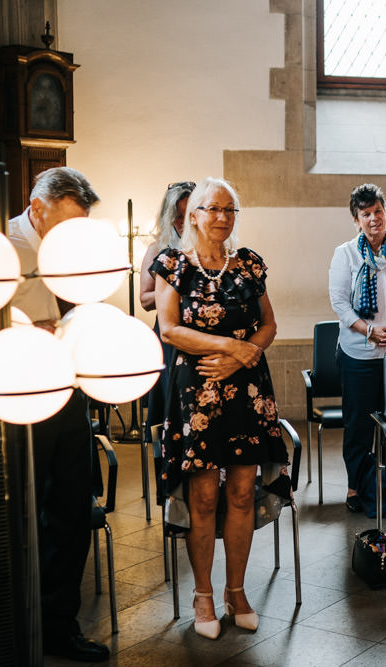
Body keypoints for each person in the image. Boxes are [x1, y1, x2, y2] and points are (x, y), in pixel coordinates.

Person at [152, 177, 291, 639]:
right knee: (205, 494)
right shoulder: (172, 264)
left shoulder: (249, 263)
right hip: (197, 392)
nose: (222, 218)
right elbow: (170, 328)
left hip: (247, 389)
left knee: (240, 492)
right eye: (213, 209)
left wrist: (241, 356)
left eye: (230, 210)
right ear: (193, 214)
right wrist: (231, 347)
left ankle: (237, 591)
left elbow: (269, 324)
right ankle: (204, 595)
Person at [7, 167, 109, 661]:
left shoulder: (77, 249)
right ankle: (10, 622)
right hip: (15, 396)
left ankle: (58, 624)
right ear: (37, 206)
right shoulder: (0, 246)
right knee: (19, 515)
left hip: (69, 394)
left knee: (71, 509)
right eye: (65, 225)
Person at [328, 183, 386, 513]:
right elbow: (340, 304)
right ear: (356, 219)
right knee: (360, 426)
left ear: (385, 213)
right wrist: (371, 331)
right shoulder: (345, 254)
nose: (374, 218)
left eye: (378, 211)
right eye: (366, 214)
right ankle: (356, 489)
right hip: (359, 353)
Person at [138, 181, 195, 439]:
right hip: (169, 339)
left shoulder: (212, 250)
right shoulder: (157, 249)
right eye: (178, 215)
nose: (183, 222)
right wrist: (174, 290)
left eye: (189, 214)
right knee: (170, 410)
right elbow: (145, 299)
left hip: (200, 334)